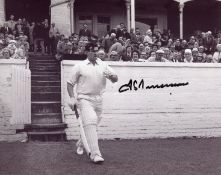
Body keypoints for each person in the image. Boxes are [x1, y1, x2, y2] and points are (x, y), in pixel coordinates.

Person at [67, 43, 118, 164]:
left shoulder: (103, 64)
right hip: (84, 98)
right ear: (87, 52)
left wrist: (112, 77)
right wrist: (72, 98)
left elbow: (115, 79)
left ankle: (81, 143)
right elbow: (69, 83)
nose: (96, 53)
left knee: (93, 126)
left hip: (99, 99)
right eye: (93, 51)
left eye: (97, 51)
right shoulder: (79, 66)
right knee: (90, 121)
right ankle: (95, 155)